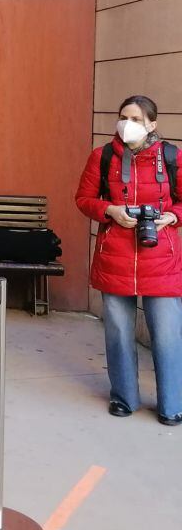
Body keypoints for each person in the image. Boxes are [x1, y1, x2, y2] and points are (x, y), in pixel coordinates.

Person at [75, 94, 182, 425]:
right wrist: (110, 210)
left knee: (167, 335)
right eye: (124, 117)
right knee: (118, 333)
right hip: (115, 257)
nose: (128, 124)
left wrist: (172, 217)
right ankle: (124, 397)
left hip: (161, 258)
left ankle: (172, 404)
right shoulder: (102, 156)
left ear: (152, 124)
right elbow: (83, 199)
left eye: (136, 119)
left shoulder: (172, 156)